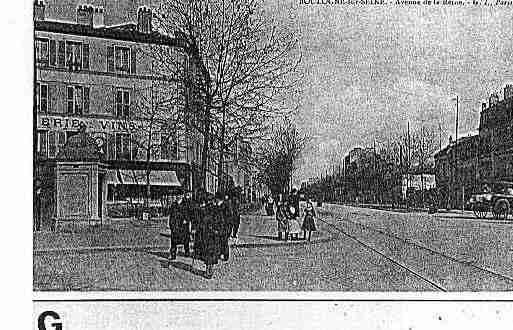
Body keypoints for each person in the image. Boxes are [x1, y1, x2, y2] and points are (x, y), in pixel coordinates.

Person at [195, 195, 222, 279]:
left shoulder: (205, 210)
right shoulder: (216, 210)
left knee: (209, 253)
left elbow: (202, 223)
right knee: (211, 253)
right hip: (212, 234)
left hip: (209, 235)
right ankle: (209, 270)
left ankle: (208, 271)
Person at [168, 194, 191, 260]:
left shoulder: (186, 204)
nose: (178, 196)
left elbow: (189, 214)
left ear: (182, 196)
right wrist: (171, 224)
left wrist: (186, 220)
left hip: (183, 225)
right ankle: (173, 254)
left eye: (180, 195)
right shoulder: (173, 205)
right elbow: (171, 215)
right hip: (175, 225)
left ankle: (187, 252)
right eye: (177, 195)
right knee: (173, 241)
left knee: (185, 240)